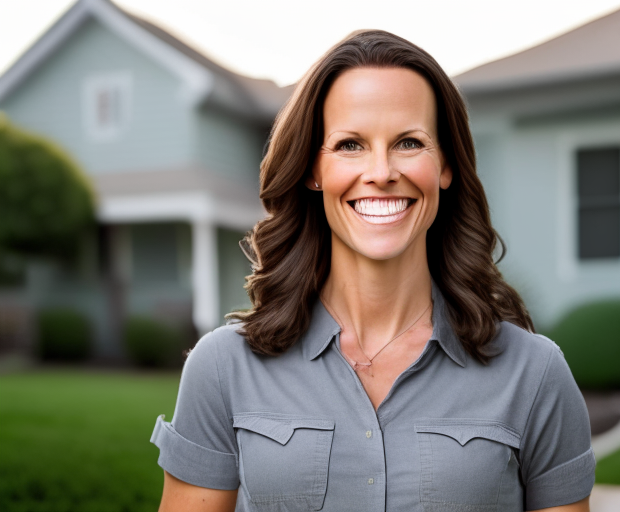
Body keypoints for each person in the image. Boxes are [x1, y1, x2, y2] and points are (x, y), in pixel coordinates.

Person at [151, 30, 594, 512]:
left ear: (445, 165)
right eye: (349, 145)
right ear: (312, 170)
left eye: (408, 142)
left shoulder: (533, 372)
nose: (381, 171)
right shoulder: (223, 367)